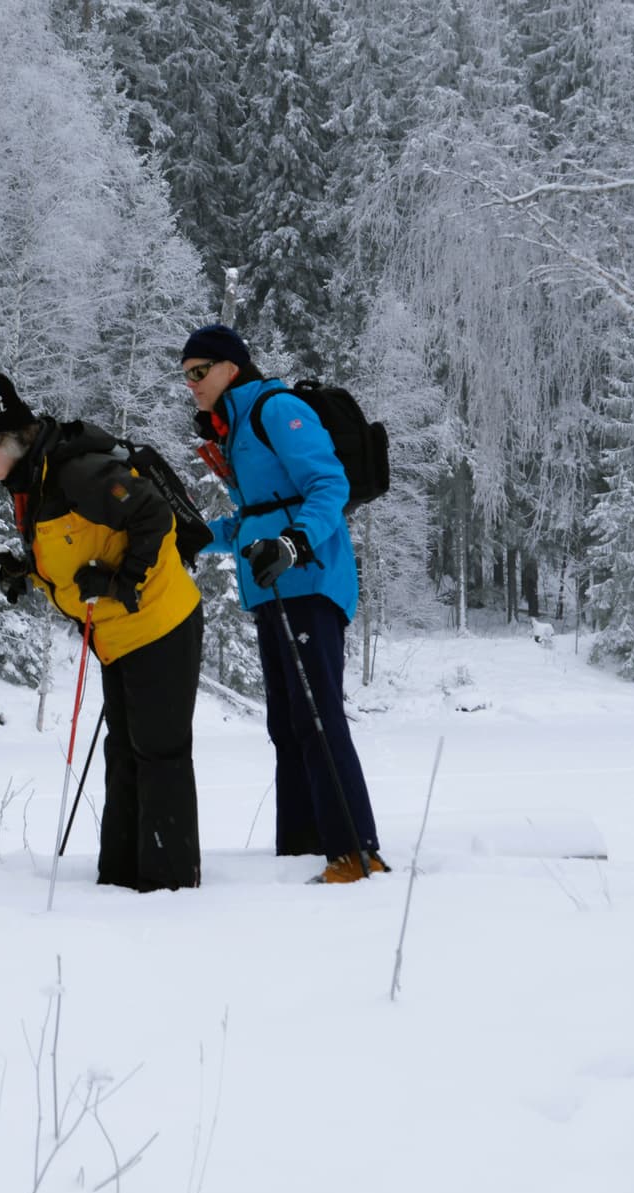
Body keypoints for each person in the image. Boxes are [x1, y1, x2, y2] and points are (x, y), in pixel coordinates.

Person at [0, 372, 203, 892]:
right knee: (124, 756)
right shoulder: (33, 483)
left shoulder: (74, 473)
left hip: (160, 623)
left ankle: (170, 891)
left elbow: (152, 513)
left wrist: (122, 580)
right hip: (119, 639)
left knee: (158, 757)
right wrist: (20, 568)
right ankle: (119, 882)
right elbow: (73, 550)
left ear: (10, 438)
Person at [180, 324, 387, 884]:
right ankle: (301, 850)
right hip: (271, 588)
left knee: (318, 716)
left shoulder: (276, 409)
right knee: (289, 723)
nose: (192, 384)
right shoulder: (235, 429)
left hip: (311, 581)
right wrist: (201, 535)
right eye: (186, 376)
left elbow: (329, 486)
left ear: (230, 367)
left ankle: (356, 851)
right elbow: (256, 517)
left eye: (200, 371)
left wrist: (294, 545)